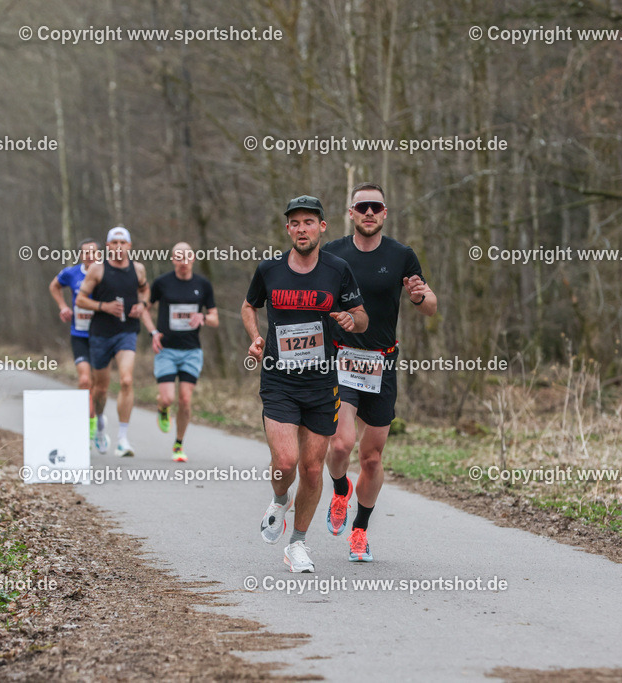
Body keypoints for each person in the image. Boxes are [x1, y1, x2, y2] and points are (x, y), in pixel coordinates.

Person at [242, 195, 368, 573]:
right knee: (286, 461)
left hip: (322, 384)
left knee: (313, 470)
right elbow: (250, 305)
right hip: (279, 379)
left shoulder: (337, 269)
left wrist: (350, 320)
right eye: (294, 223)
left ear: (322, 227)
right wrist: (255, 337)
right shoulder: (270, 269)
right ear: (288, 229)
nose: (301, 229)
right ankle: (280, 498)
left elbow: (361, 317)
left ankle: (297, 544)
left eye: (308, 222)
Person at [322, 182, 437, 562]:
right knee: (340, 444)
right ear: (351, 213)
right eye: (362, 207)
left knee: (371, 458)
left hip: (383, 363)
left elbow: (430, 305)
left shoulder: (402, 255)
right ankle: (340, 490)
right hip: (342, 357)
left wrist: (419, 296)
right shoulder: (333, 253)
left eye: (376, 207)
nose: (369, 213)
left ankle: (360, 530)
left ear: (385, 213)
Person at [140, 242, 218, 462]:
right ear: (173, 259)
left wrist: (203, 317)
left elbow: (214, 318)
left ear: (193, 258)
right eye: (178, 257)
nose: (183, 262)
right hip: (166, 349)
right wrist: (153, 332)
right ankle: (162, 407)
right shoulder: (162, 283)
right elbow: (144, 310)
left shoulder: (203, 285)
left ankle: (178, 444)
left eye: (187, 257)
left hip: (191, 351)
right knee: (168, 398)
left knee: (184, 399)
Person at [75, 227, 149, 457]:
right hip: (100, 334)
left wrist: (143, 305)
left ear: (129, 246)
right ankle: (98, 425)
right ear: (108, 246)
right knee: (100, 389)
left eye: (122, 243)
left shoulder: (138, 269)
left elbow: (145, 290)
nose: (118, 247)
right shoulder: (98, 269)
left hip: (127, 331)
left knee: (126, 380)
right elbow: (80, 299)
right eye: (114, 243)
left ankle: (123, 440)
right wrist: (103, 306)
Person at [51, 239, 103, 448]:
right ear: (80, 255)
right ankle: (88, 422)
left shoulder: (106, 274)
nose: (89, 256)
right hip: (79, 333)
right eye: (85, 253)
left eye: (93, 252)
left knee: (99, 386)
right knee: (84, 380)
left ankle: (98, 418)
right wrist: (63, 306)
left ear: (100, 254)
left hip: (101, 336)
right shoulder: (71, 273)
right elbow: (54, 286)